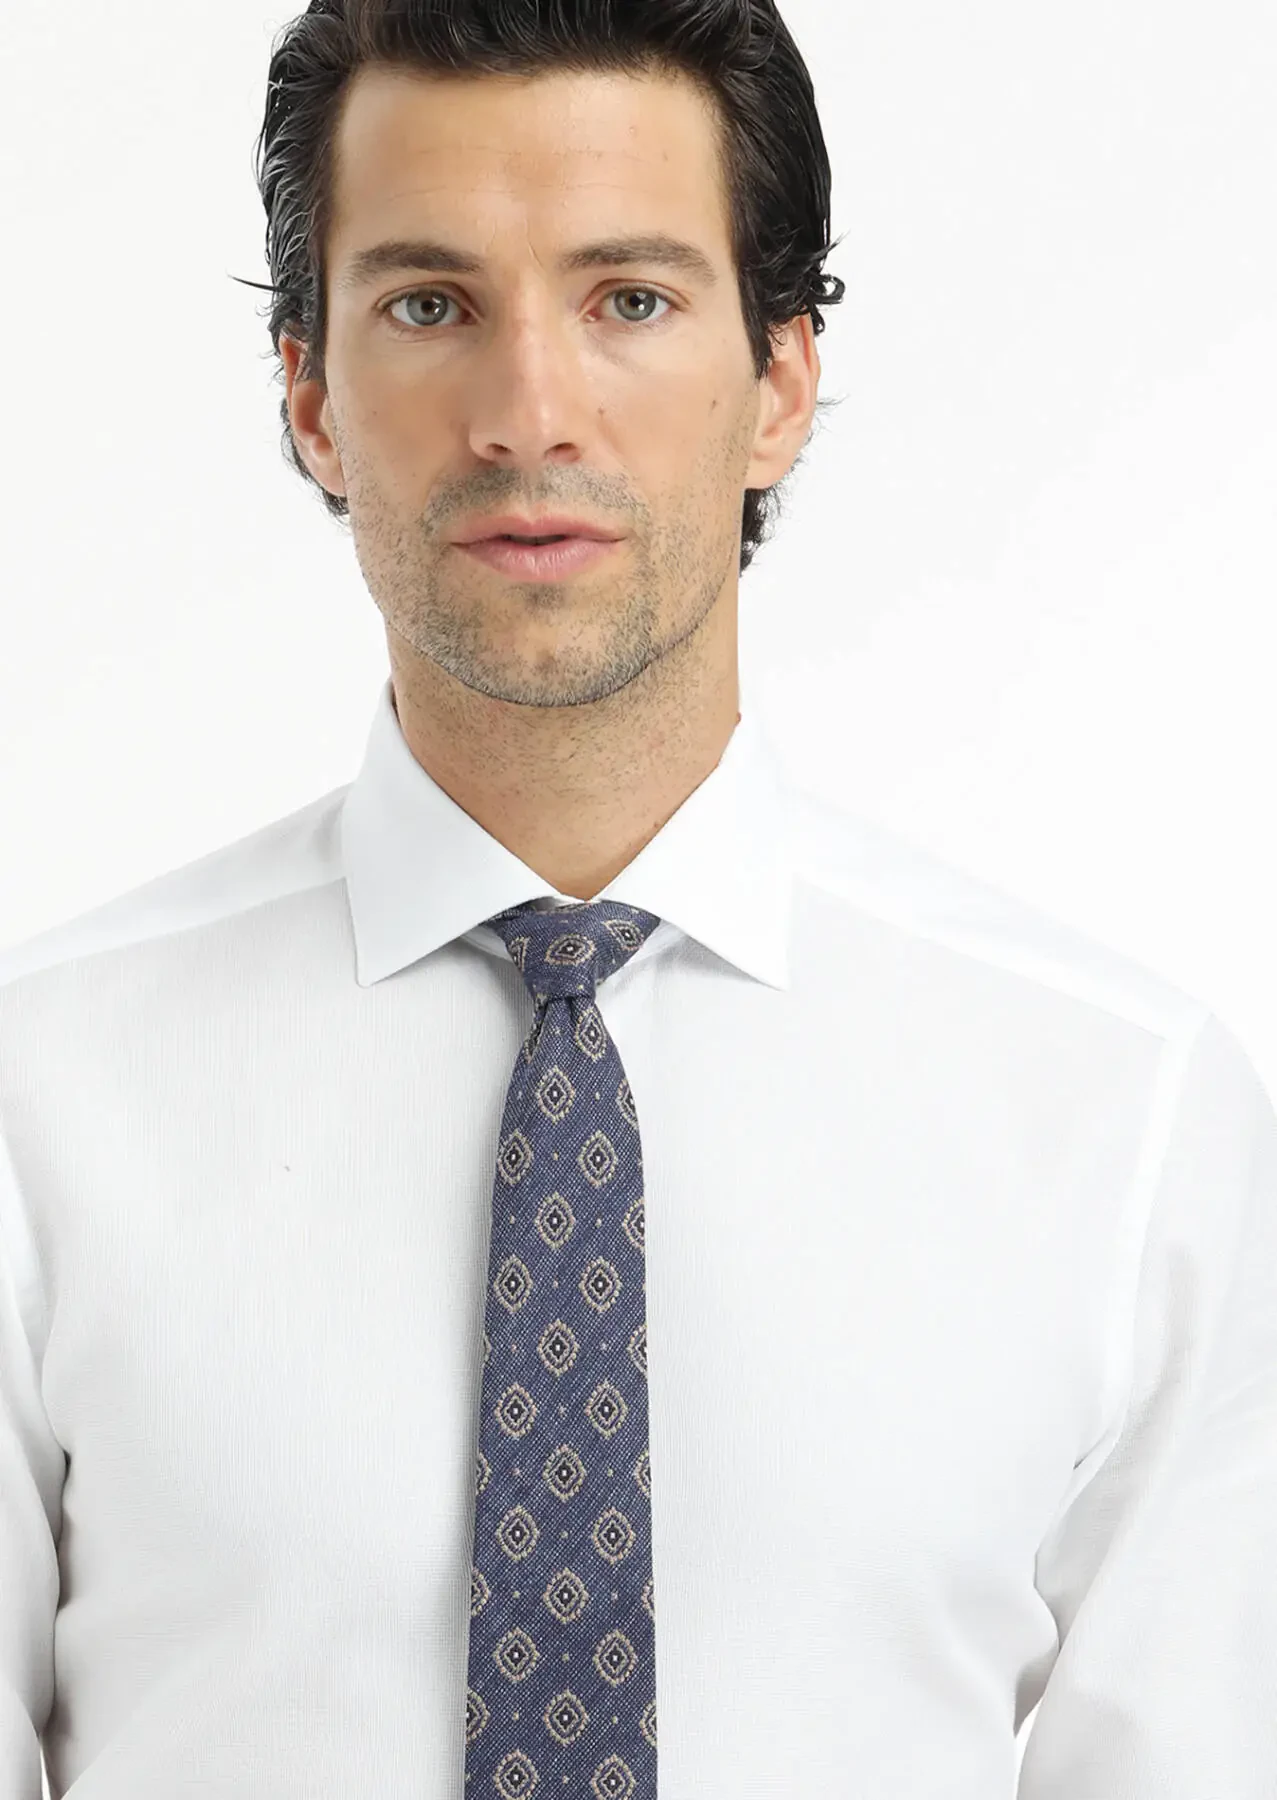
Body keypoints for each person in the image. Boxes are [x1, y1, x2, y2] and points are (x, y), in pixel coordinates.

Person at [2, 3, 1274, 1797]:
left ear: (780, 382)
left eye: (631, 300)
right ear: (311, 397)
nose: (531, 413)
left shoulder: (1124, 1122)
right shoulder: (37, 1101)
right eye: (429, 305)